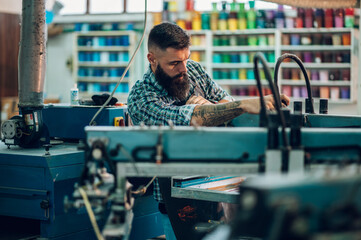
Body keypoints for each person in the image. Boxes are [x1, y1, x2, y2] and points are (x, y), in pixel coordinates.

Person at [127, 22, 290, 239]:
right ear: (152, 59)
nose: (183, 69)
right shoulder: (141, 97)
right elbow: (191, 119)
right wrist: (237, 106)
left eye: (186, 58)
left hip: (217, 190)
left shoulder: (193, 70)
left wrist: (209, 108)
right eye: (174, 63)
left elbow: (224, 104)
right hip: (178, 202)